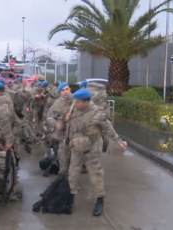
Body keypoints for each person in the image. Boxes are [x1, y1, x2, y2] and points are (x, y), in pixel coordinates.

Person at [65, 88, 127, 216]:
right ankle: (70, 199)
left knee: (95, 174)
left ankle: (100, 200)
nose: (75, 104)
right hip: (76, 146)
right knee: (72, 172)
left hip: (91, 147)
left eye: (78, 102)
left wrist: (118, 140)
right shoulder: (74, 107)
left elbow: (108, 127)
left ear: (85, 102)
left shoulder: (97, 113)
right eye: (74, 102)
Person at [45, 82, 72, 174]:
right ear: (60, 92)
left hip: (76, 134)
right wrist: (56, 124)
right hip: (64, 135)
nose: (65, 92)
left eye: (67, 89)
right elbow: (49, 117)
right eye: (63, 90)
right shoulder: (57, 103)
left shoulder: (76, 101)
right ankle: (63, 179)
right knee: (64, 159)